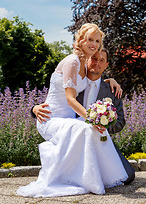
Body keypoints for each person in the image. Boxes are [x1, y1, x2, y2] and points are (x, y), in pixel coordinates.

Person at [17, 23, 128, 198]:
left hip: (70, 120)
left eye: (97, 41)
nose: (93, 43)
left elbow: (93, 78)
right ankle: (86, 181)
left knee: (127, 174)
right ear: (81, 40)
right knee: (85, 127)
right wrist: (34, 108)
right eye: (90, 39)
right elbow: (68, 99)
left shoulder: (85, 65)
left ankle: (98, 176)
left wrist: (110, 80)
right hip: (52, 119)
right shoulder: (72, 61)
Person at [32, 49, 135, 185]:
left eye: (101, 60)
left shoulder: (112, 90)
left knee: (127, 176)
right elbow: (55, 99)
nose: (97, 63)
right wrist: (34, 109)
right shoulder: (76, 83)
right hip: (72, 138)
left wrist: (101, 124)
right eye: (93, 58)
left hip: (100, 139)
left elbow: (120, 122)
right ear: (86, 60)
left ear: (106, 65)